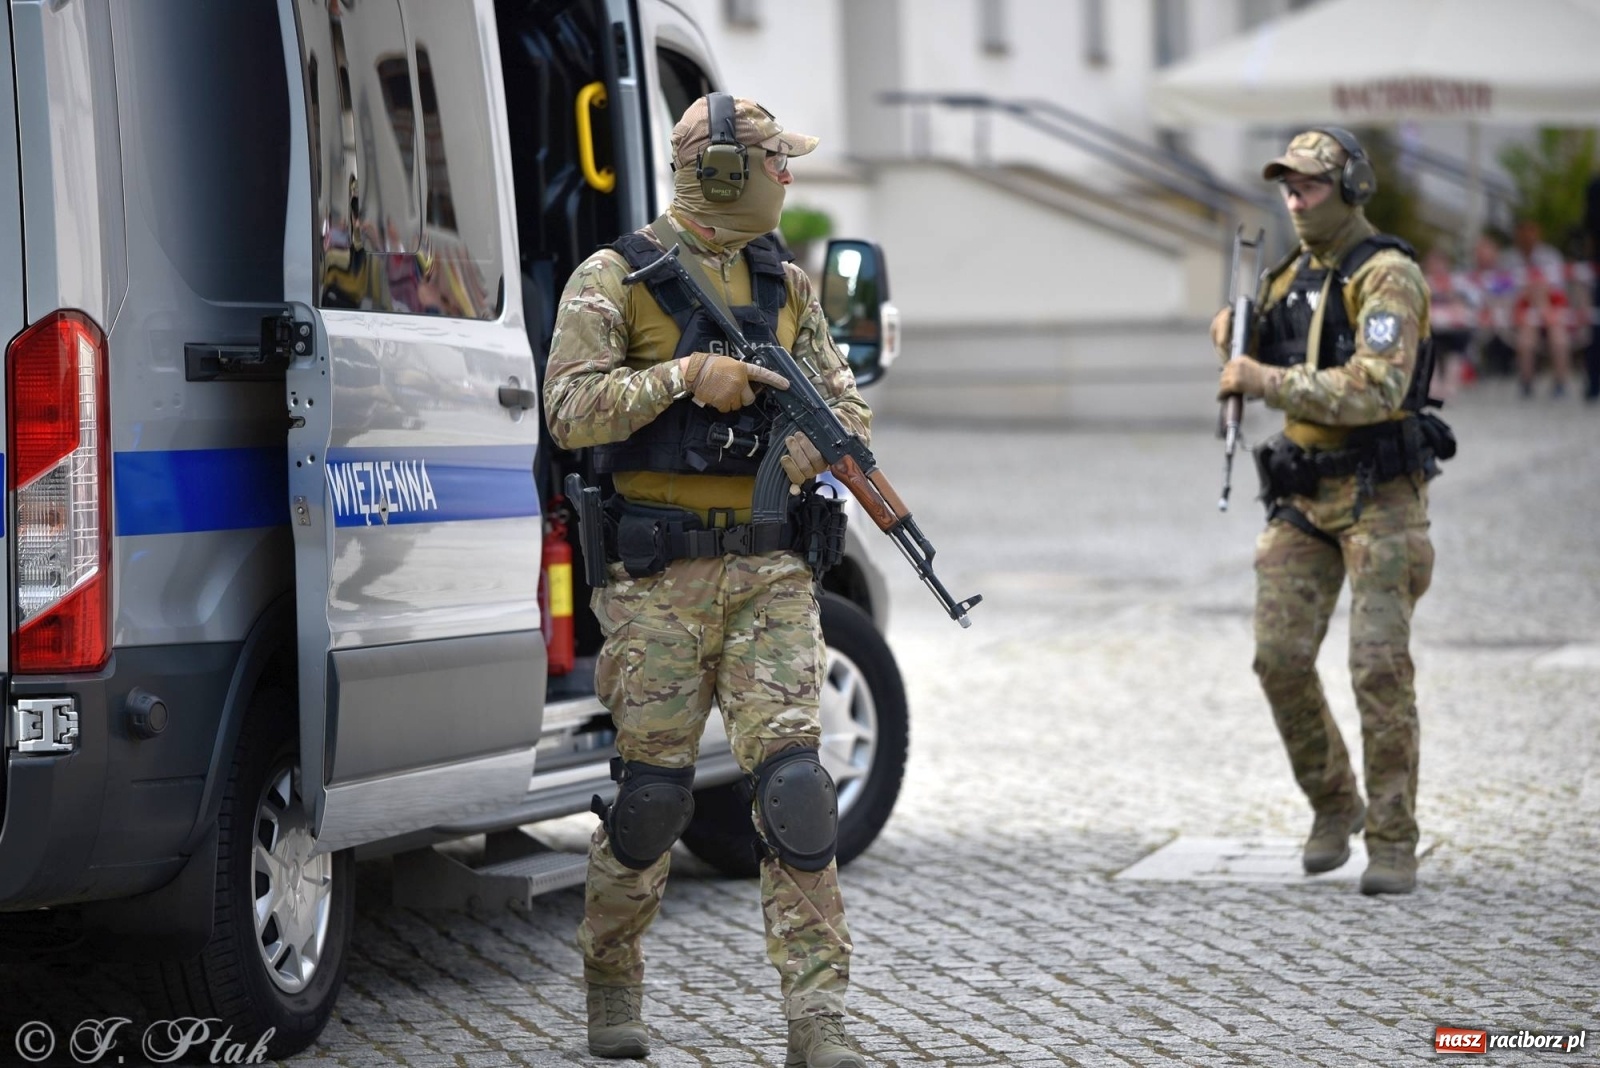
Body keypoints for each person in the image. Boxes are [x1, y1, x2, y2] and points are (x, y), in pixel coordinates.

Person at [543, 93, 871, 1067]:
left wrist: (800, 445)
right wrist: (686, 378)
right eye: (781, 164)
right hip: (655, 582)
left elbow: (847, 412)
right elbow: (568, 410)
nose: (790, 181)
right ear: (730, 173)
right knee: (650, 801)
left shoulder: (789, 286)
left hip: (768, 569)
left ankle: (817, 1022)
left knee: (796, 791)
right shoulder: (616, 279)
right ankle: (611, 979)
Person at [1208, 128, 1446, 895]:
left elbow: (1376, 386)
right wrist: (1233, 340)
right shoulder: (1286, 276)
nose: (1295, 199)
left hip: (1380, 498)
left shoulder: (1388, 277)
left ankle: (1395, 837)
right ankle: (1333, 805)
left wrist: (1264, 379)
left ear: (1350, 190)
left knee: (1378, 668)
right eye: (1287, 186)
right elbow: (1269, 352)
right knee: (1277, 658)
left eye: (1309, 185)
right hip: (1305, 495)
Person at [1500, 217, 1574, 397]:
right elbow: (1503, 288)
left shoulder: (1551, 255)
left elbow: (1558, 287)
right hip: (1524, 307)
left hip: (1551, 305)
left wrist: (1538, 294)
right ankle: (1527, 381)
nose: (1527, 237)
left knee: (1559, 338)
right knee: (1526, 339)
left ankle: (1560, 381)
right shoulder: (1508, 258)